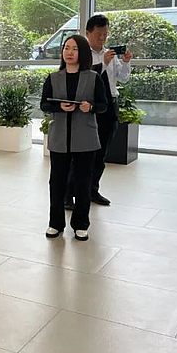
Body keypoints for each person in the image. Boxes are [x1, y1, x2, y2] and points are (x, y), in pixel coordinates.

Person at [41, 35, 108, 242]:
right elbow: (44, 104)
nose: (69, 52)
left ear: (83, 53)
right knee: (57, 182)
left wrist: (91, 107)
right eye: (66, 48)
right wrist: (58, 107)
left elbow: (103, 105)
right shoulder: (53, 78)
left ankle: (81, 224)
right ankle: (55, 223)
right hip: (60, 137)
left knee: (83, 183)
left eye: (74, 49)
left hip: (85, 137)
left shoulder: (93, 78)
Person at [65, 14, 133, 209]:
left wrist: (125, 62)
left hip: (110, 104)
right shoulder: (81, 54)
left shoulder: (110, 54)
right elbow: (82, 78)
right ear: (87, 33)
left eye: (105, 34)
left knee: (101, 152)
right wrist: (102, 63)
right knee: (80, 154)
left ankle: (92, 190)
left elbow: (122, 78)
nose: (102, 38)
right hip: (88, 107)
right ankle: (68, 195)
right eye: (98, 34)